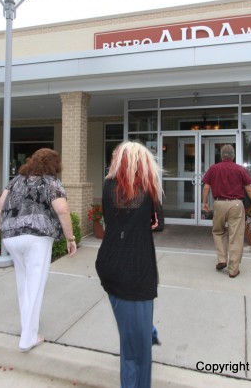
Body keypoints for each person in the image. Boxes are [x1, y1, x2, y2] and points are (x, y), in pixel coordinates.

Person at [0, 148, 77, 352]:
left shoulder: (16, 180)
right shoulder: (51, 182)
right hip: (36, 239)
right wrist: (70, 238)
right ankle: (28, 338)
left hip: (11, 238)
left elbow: (0, 207)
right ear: (54, 164)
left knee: (24, 283)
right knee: (35, 286)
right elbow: (62, 210)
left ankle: (28, 327)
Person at [95, 141, 162, 388]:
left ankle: (145, 329)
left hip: (110, 265)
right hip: (133, 272)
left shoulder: (107, 186)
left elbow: (115, 217)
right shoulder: (147, 190)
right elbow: (158, 222)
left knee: (132, 333)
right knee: (137, 353)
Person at [201, 144, 251, 279]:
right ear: (233, 156)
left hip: (219, 204)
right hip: (236, 205)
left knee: (218, 231)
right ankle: (233, 270)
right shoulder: (240, 169)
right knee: (236, 237)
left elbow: (206, 187)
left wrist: (204, 203)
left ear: (222, 155)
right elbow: (249, 189)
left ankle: (221, 259)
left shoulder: (214, 168)